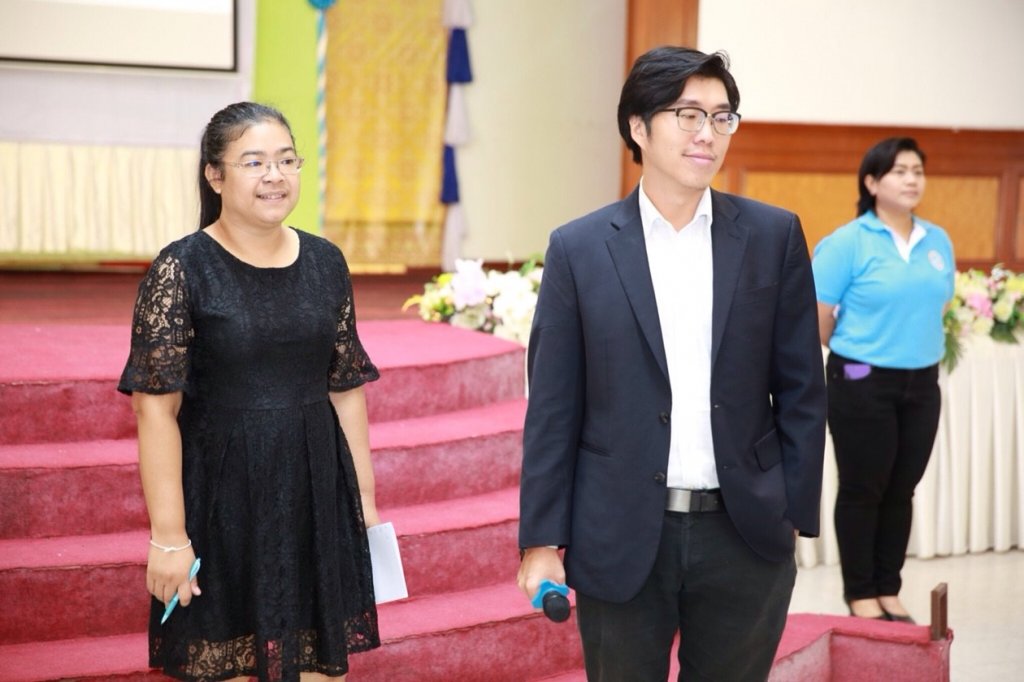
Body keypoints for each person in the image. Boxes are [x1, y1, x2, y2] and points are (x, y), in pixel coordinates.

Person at [517, 46, 827, 681]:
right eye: (688, 114)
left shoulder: (772, 237)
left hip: (745, 533)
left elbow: (802, 387)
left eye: (722, 116)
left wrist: (792, 510)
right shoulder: (579, 249)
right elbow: (553, 407)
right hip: (621, 530)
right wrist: (541, 540)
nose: (706, 133)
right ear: (638, 126)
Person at [118, 101, 381, 681]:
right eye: (255, 162)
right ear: (215, 175)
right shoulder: (181, 269)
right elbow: (154, 411)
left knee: (321, 665)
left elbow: (345, 388)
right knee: (230, 663)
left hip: (314, 490)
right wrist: (169, 536)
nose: (275, 176)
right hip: (223, 498)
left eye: (287, 160)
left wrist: (362, 503)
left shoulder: (326, 261)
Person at [812, 137, 955, 624]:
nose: (912, 179)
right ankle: (861, 593)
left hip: (922, 383)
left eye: (918, 170)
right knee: (863, 488)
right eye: (899, 171)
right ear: (872, 183)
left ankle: (888, 588)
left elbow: (938, 305)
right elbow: (819, 319)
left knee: (902, 488)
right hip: (860, 379)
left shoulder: (937, 241)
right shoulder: (847, 242)